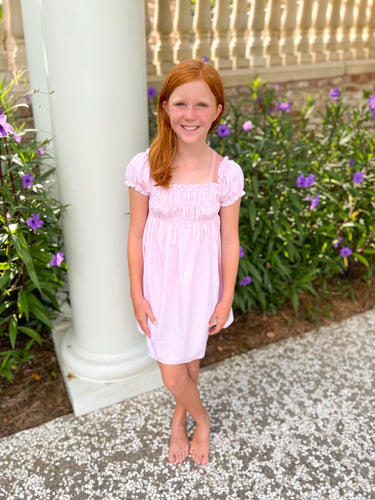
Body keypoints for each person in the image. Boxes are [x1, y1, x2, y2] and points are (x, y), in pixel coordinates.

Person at [125, 59, 244, 466]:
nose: (190, 115)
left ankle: (181, 418)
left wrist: (225, 297)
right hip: (160, 285)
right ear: (164, 108)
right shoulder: (146, 167)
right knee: (172, 372)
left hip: (201, 283)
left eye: (201, 105)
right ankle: (201, 416)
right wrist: (136, 294)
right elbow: (136, 233)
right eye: (180, 104)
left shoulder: (225, 174)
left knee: (191, 357)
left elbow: (230, 240)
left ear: (218, 112)